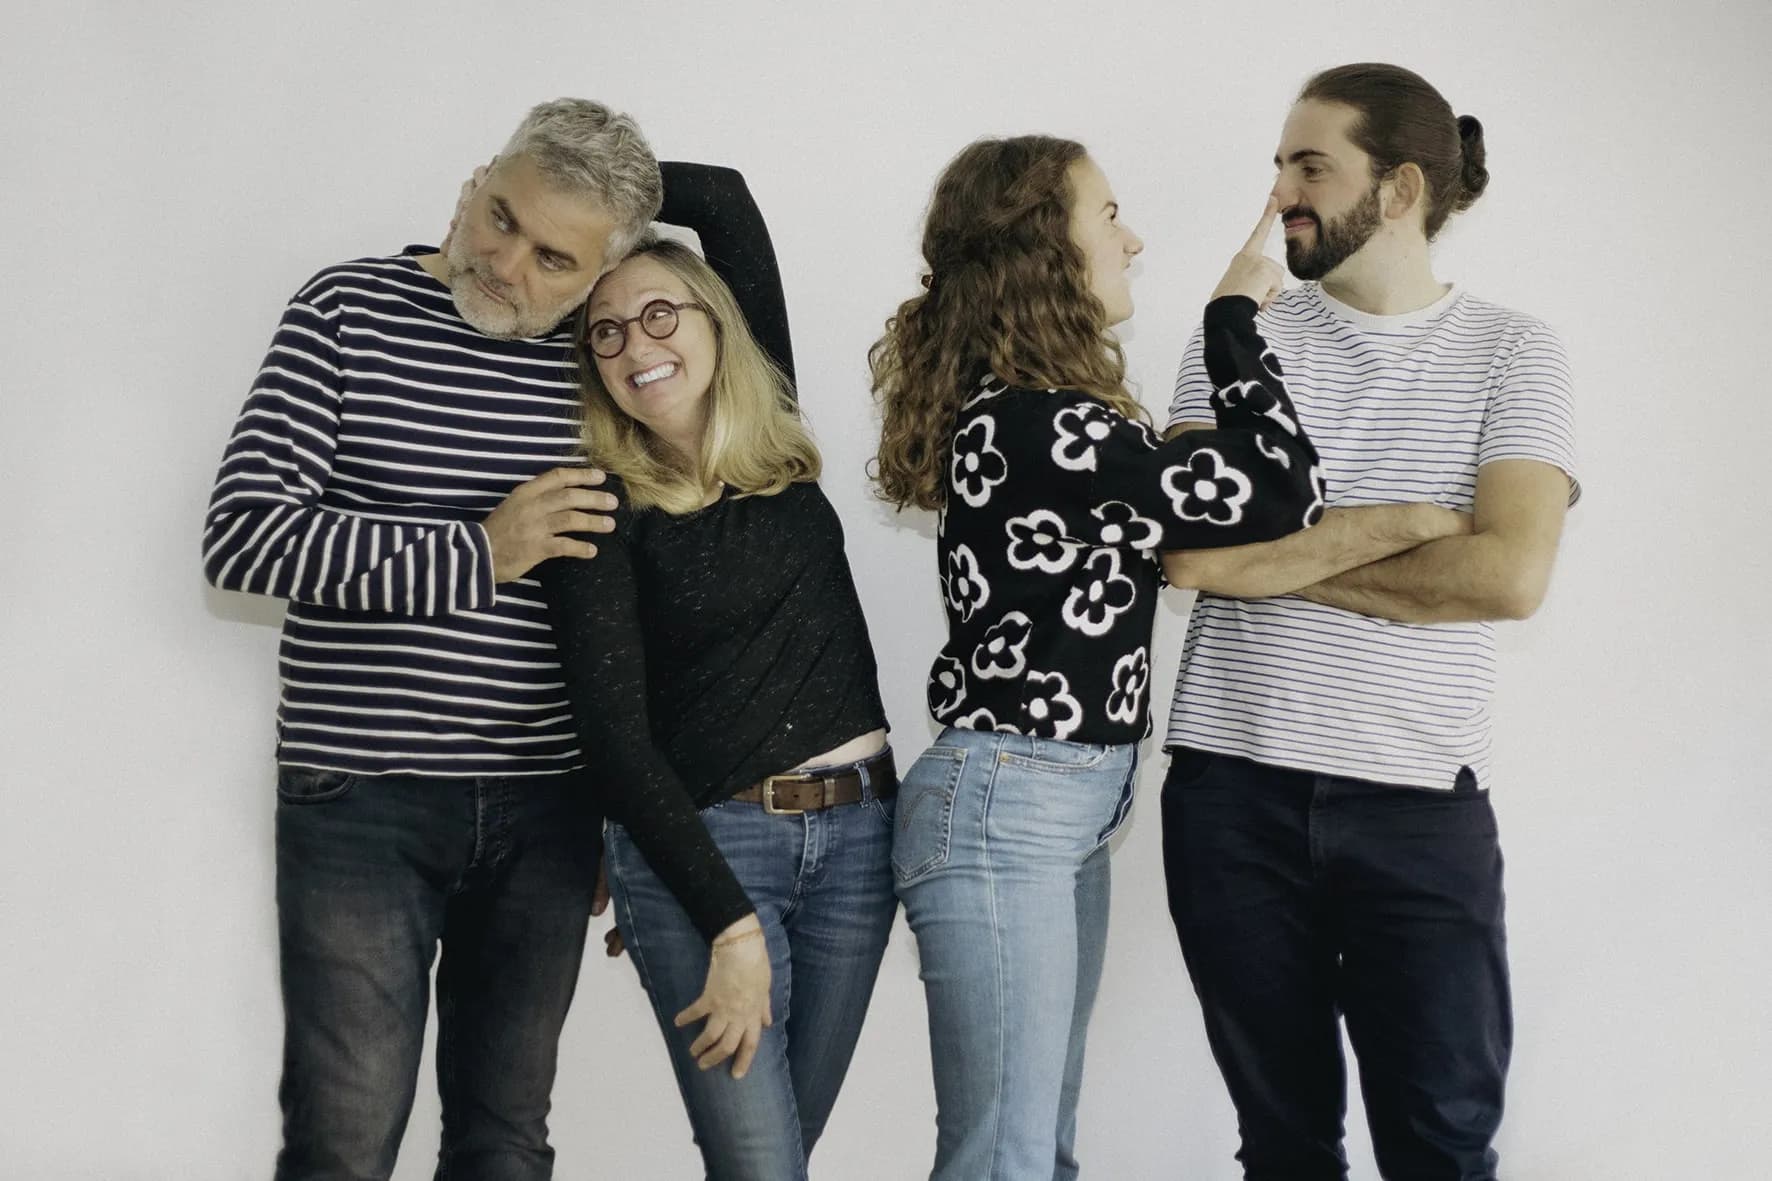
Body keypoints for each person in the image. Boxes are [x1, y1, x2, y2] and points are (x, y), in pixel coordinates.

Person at [202, 100, 777, 1180]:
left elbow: (649, 602)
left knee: (505, 1142)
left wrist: (614, 807)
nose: (505, 261)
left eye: (555, 254)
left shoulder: (607, 362)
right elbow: (244, 538)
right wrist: (480, 549)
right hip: (360, 796)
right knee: (343, 1136)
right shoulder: (346, 309)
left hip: (546, 808)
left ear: (605, 270)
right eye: (499, 215)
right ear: (472, 185)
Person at [869, 134, 1326, 1181]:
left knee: (1035, 1157)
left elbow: (1220, 525)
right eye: (1106, 212)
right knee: (1006, 1162)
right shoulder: (1036, 428)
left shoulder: (1051, 425)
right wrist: (1231, 317)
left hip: (1051, 802)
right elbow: (1275, 489)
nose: (1131, 237)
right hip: (1009, 807)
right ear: (1042, 247)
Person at [1159, 63, 1579, 1181]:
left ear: (1396, 190)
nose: (1278, 198)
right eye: (1278, 166)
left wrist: (1278, 560)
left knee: (1440, 1144)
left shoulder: (1512, 350)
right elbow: (1189, 552)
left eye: (1308, 167)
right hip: (1229, 794)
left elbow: (1505, 575)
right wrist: (1392, 526)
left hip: (1417, 806)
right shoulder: (1233, 338)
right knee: (1283, 1146)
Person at [537, 205, 898, 1178]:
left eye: (660, 313)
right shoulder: (598, 508)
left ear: (714, 319)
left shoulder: (773, 439)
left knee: (779, 1158)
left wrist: (589, 205)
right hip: (706, 856)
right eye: (603, 331)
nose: (633, 344)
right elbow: (613, 742)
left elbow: (722, 200)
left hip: (862, 845)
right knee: (761, 1166)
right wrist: (727, 924)